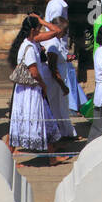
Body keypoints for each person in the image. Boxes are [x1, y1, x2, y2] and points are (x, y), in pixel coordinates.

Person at [7, 14, 67, 162]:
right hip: (31, 90)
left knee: (46, 120)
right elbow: (34, 72)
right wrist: (43, 85)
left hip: (32, 90)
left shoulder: (33, 42)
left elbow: (56, 31)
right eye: (39, 28)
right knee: (30, 121)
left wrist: (39, 21)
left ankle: (52, 157)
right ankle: (8, 157)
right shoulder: (28, 46)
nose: (41, 30)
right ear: (33, 30)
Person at [45, 0, 85, 113]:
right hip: (58, 46)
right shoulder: (57, 6)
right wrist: (63, 50)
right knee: (65, 75)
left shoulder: (57, 4)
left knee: (69, 75)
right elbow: (56, 28)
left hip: (60, 45)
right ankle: (71, 106)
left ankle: (73, 104)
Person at [38, 8, 77, 142]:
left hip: (58, 80)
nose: (66, 32)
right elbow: (52, 67)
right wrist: (63, 86)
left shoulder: (56, 41)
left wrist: (66, 58)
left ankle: (65, 132)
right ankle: (59, 134)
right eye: (64, 29)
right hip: (54, 82)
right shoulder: (53, 43)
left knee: (60, 107)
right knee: (56, 108)